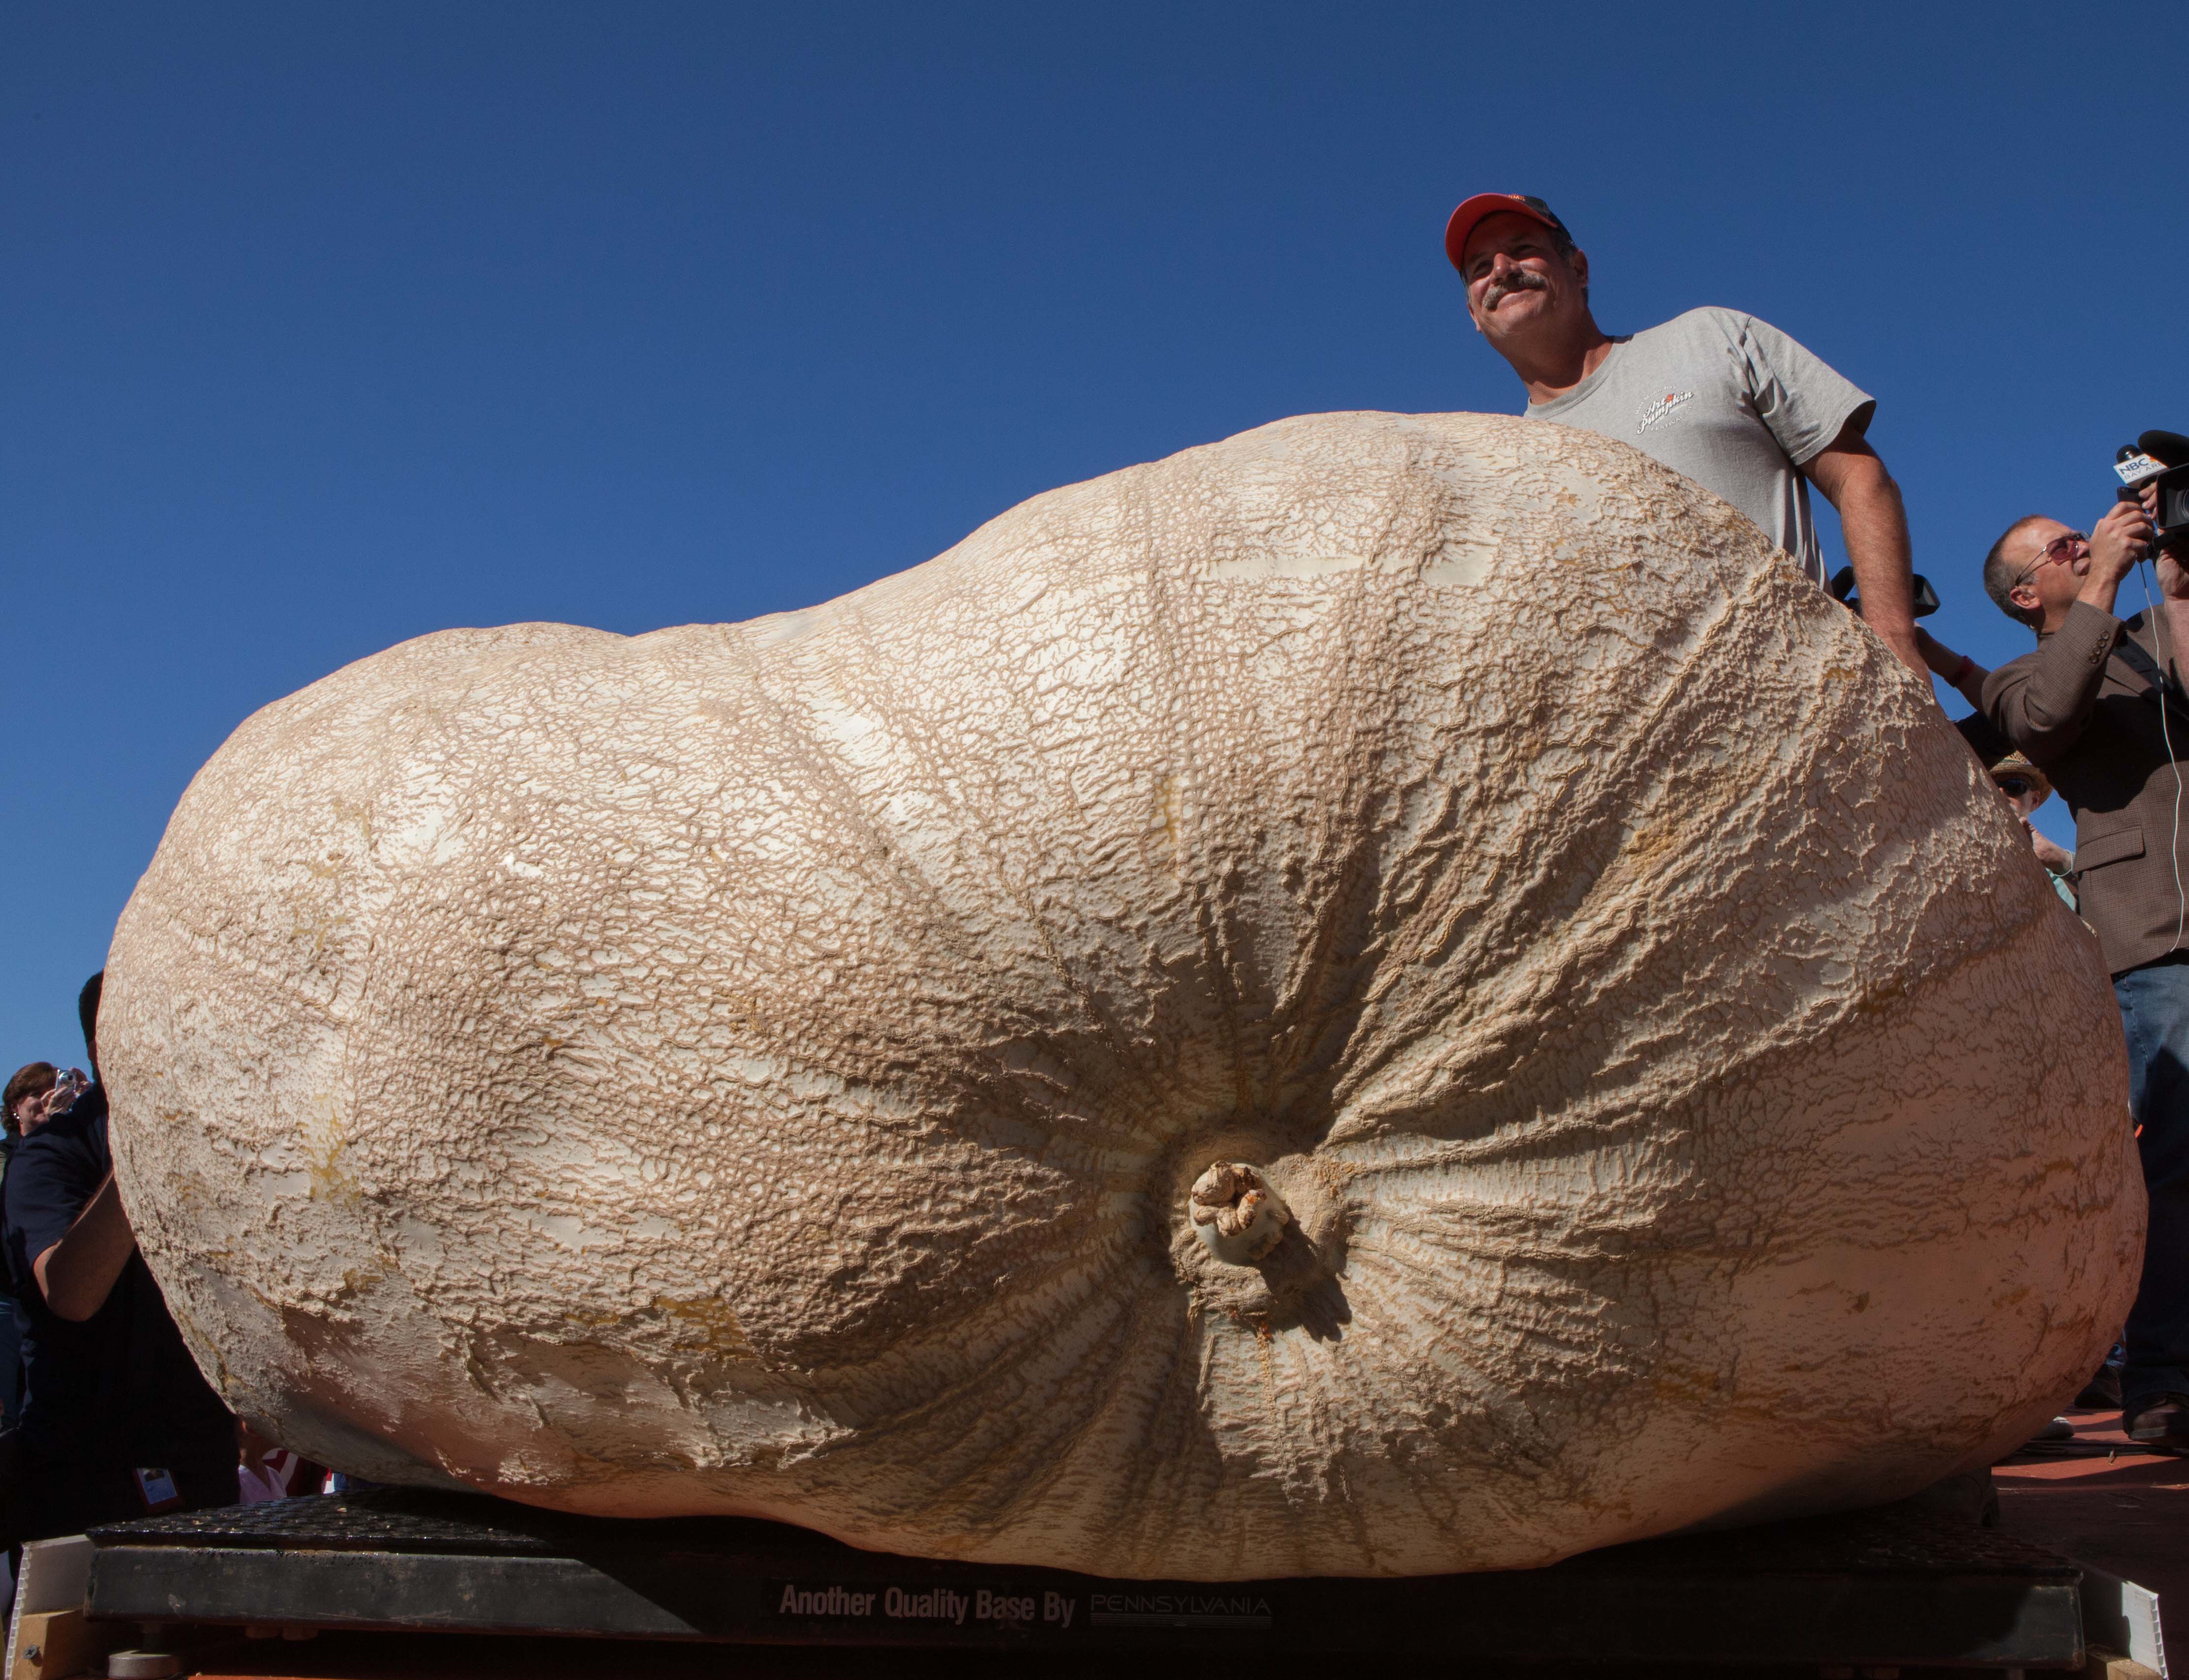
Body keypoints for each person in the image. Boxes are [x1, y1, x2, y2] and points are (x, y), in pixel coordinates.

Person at [1445, 193, 1926, 681]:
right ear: (1472, 314)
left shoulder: (1710, 337)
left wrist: (1894, 640)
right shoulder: (1502, 471)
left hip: (1811, 689)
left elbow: (1859, 475)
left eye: (1523, 248)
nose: (1502, 269)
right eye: (1480, 266)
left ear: (1580, 268)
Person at [1978, 491, 2189, 1448]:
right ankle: (2163, 1380)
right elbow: (2052, 718)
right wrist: (2105, 575)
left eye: (2088, 535)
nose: (2088, 543)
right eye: (2066, 546)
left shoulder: (2154, 627)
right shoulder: (2021, 673)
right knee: (2177, 1161)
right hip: (2158, 934)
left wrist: (2177, 580)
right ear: (2029, 591)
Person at [1, 974, 234, 1539]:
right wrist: (143, 1147)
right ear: (100, 1047)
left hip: (203, 1472)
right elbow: (71, 1294)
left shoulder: (220, 1143)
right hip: (83, 1482)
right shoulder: (47, 1158)